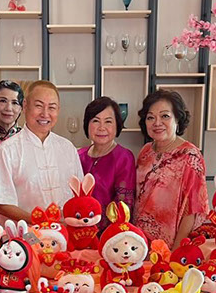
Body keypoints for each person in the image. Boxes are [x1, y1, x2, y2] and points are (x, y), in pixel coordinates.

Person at [0, 80, 83, 223]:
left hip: (65, 232)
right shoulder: (6, 150)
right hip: (25, 234)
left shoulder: (68, 148)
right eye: (38, 106)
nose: (45, 114)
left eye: (52, 107)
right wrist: (39, 222)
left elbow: (81, 195)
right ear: (25, 106)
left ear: (58, 110)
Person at [134, 89, 209, 248]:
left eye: (165, 116)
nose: (157, 123)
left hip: (169, 245)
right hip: (138, 243)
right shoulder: (145, 151)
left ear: (177, 119)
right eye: (150, 117)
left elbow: (192, 210)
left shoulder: (190, 156)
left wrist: (176, 251)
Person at [77, 96, 136, 232]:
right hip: (78, 229)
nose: (101, 127)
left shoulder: (124, 157)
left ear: (117, 125)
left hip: (109, 233)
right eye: (95, 121)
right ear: (87, 124)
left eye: (108, 121)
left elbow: (123, 205)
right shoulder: (79, 155)